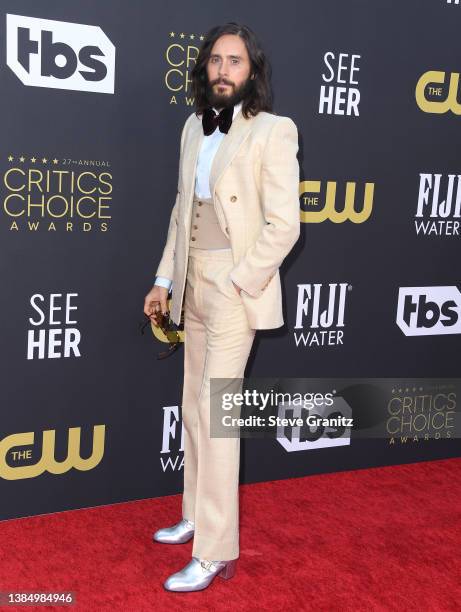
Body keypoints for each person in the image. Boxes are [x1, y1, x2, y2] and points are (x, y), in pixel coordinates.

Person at [143, 21, 300, 592]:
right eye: (215, 60)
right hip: (190, 283)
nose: (223, 71)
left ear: (251, 70)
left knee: (218, 419)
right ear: (204, 68)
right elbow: (181, 211)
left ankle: (215, 550)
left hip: (235, 288)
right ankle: (194, 514)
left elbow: (286, 225)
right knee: (192, 407)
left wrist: (239, 281)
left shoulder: (274, 131)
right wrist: (164, 279)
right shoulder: (192, 126)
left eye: (235, 61)